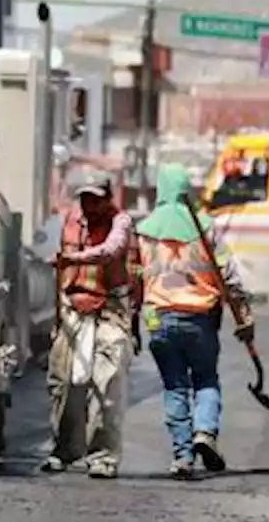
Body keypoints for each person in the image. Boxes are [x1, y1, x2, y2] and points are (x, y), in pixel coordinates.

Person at [135, 163, 255, 479]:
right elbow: (229, 275)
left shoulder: (145, 231)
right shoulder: (205, 228)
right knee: (205, 380)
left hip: (157, 319)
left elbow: (136, 279)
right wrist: (244, 316)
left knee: (174, 386)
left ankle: (183, 457)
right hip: (200, 318)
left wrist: (138, 321)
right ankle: (204, 431)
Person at [41, 168, 141, 480]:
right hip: (74, 307)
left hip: (111, 309)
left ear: (108, 199)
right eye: (84, 198)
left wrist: (77, 260)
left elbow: (111, 250)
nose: (88, 205)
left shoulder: (121, 222)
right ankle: (65, 450)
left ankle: (103, 456)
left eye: (94, 199)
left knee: (106, 383)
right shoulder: (71, 219)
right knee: (65, 381)